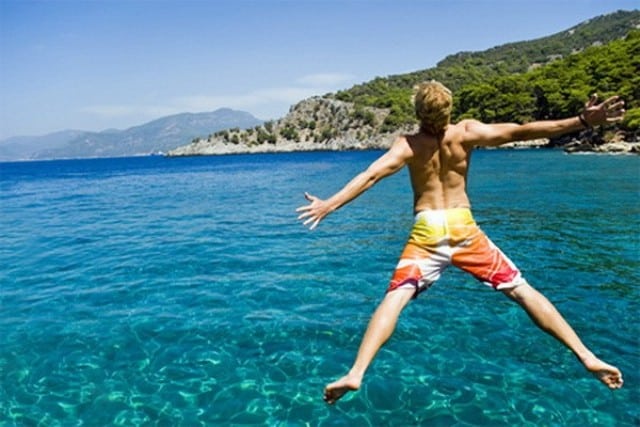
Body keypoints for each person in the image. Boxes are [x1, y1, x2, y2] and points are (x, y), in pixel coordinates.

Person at [296, 81, 625, 405]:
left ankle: (356, 372)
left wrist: (329, 205)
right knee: (522, 291)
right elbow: (523, 131)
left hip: (427, 229)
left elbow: (370, 175)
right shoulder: (466, 132)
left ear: (418, 112)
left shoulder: (408, 145)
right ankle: (586, 356)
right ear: (449, 110)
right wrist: (582, 121)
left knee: (395, 298)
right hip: (462, 226)